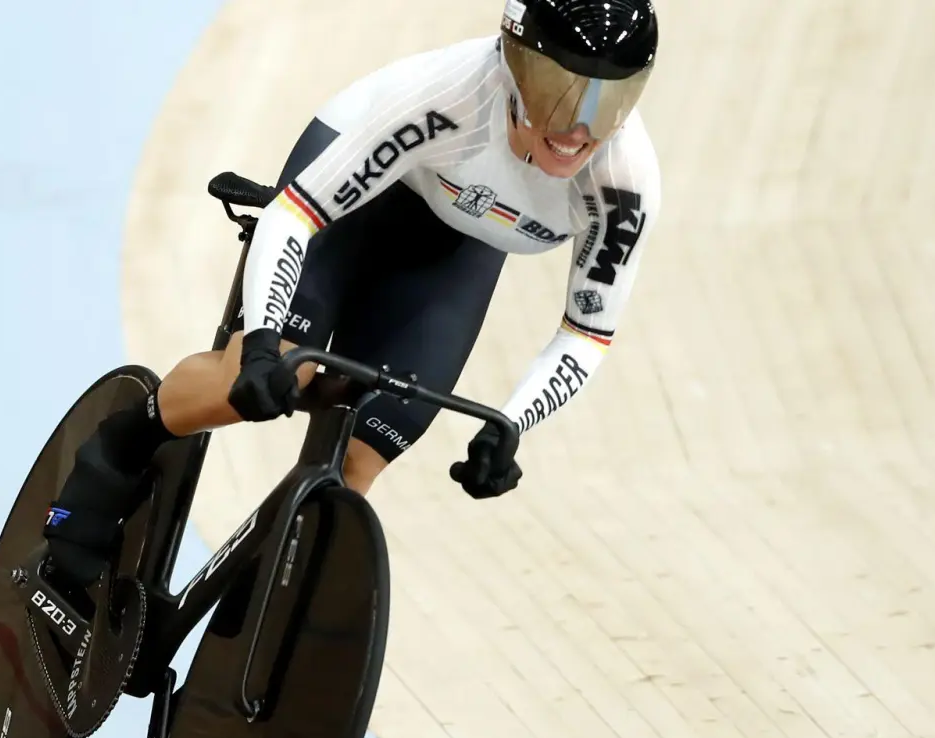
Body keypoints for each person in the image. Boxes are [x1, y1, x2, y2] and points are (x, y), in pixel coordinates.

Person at [43, 0, 663, 589]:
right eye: (561, 89)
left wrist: (512, 421)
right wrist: (260, 344)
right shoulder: (450, 98)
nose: (579, 127)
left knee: (372, 445)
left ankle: (257, 613)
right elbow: (295, 217)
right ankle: (119, 446)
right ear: (513, 62)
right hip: (352, 192)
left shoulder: (623, 184)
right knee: (278, 371)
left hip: (458, 241)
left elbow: (586, 334)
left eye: (611, 100)